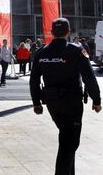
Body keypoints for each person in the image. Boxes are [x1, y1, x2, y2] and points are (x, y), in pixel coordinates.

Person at [30, 18, 101, 175]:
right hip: (72, 103)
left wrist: (36, 102)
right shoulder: (76, 51)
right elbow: (89, 77)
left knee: (67, 138)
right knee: (69, 143)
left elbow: (34, 79)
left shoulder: (41, 52)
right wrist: (97, 100)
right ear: (68, 32)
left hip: (52, 104)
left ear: (52, 31)